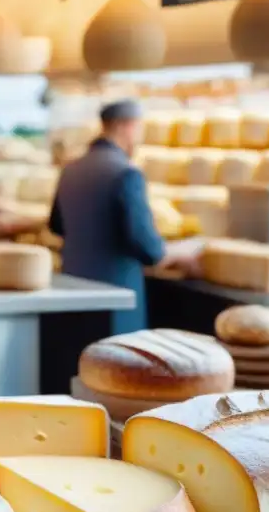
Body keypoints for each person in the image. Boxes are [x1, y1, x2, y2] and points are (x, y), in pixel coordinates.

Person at [48, 100, 203, 335]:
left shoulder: (71, 169)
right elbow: (148, 249)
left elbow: (56, 226)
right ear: (125, 127)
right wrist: (184, 251)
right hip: (116, 296)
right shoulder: (126, 173)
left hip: (73, 288)